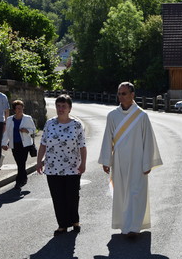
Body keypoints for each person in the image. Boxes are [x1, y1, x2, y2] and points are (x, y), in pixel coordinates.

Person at [98, 82, 162, 238]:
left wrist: (148, 163)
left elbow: (148, 140)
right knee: (121, 193)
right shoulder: (112, 115)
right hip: (119, 161)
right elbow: (108, 138)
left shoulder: (141, 116)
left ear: (132, 94)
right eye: (119, 94)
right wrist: (107, 160)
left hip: (137, 161)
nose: (120, 97)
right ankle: (124, 224)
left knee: (136, 193)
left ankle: (134, 228)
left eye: (124, 93)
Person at [36, 94, 87, 236]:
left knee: (72, 195)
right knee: (57, 197)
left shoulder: (77, 125)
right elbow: (43, 143)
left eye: (64, 106)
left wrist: (83, 163)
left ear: (70, 108)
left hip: (72, 167)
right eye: (58, 106)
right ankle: (62, 225)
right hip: (52, 167)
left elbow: (82, 146)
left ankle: (74, 220)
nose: (61, 109)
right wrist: (39, 161)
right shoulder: (50, 123)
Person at [1, 100, 36, 189]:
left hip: (25, 144)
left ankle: (18, 181)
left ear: (23, 108)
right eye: (17, 108)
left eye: (21, 108)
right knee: (19, 163)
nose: (19, 110)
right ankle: (24, 177)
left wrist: (27, 131)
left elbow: (34, 130)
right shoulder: (9, 119)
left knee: (22, 162)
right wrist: (4, 143)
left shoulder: (27, 118)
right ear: (14, 110)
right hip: (14, 144)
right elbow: (6, 133)